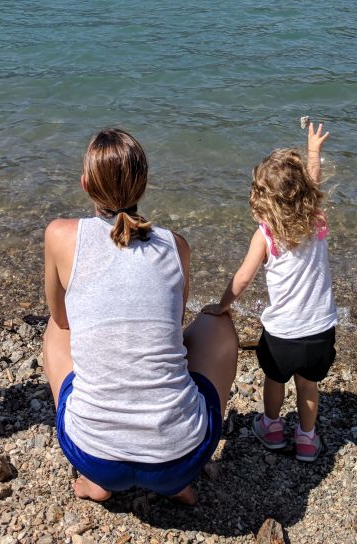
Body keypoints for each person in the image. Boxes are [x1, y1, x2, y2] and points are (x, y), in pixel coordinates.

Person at [43, 128, 238, 505]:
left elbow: (61, 317)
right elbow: (174, 327)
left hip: (93, 454)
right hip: (182, 456)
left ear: (85, 184)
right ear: (143, 186)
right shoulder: (175, 245)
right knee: (217, 323)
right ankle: (176, 481)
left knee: (57, 325)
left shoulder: (60, 234)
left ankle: (94, 480)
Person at [203, 122, 336, 461]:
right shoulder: (316, 220)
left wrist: (221, 306)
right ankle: (307, 439)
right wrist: (313, 153)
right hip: (320, 330)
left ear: (262, 199)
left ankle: (272, 427)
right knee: (309, 386)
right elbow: (314, 182)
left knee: (275, 381)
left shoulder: (265, 236)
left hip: (282, 334)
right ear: (306, 193)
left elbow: (244, 277)